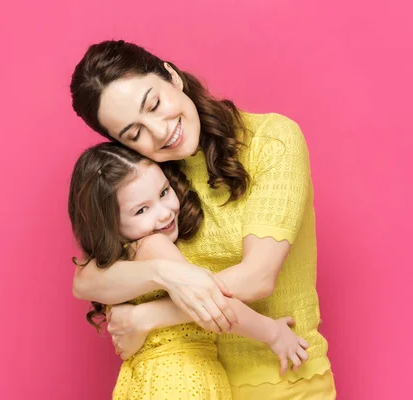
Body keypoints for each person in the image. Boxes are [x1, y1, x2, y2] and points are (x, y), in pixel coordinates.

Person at [69, 40, 335, 399]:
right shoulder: (147, 185)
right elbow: (85, 282)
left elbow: (257, 278)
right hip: (190, 382)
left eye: (155, 104)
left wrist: (149, 317)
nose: (160, 132)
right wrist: (164, 273)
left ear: (172, 76)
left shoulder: (271, 141)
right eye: (135, 134)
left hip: (282, 376)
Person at [68, 142, 309, 399]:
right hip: (179, 378)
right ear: (110, 226)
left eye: (163, 192)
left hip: (144, 379)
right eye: (141, 210)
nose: (164, 213)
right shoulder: (152, 245)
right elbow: (212, 304)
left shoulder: (116, 261)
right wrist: (272, 333)